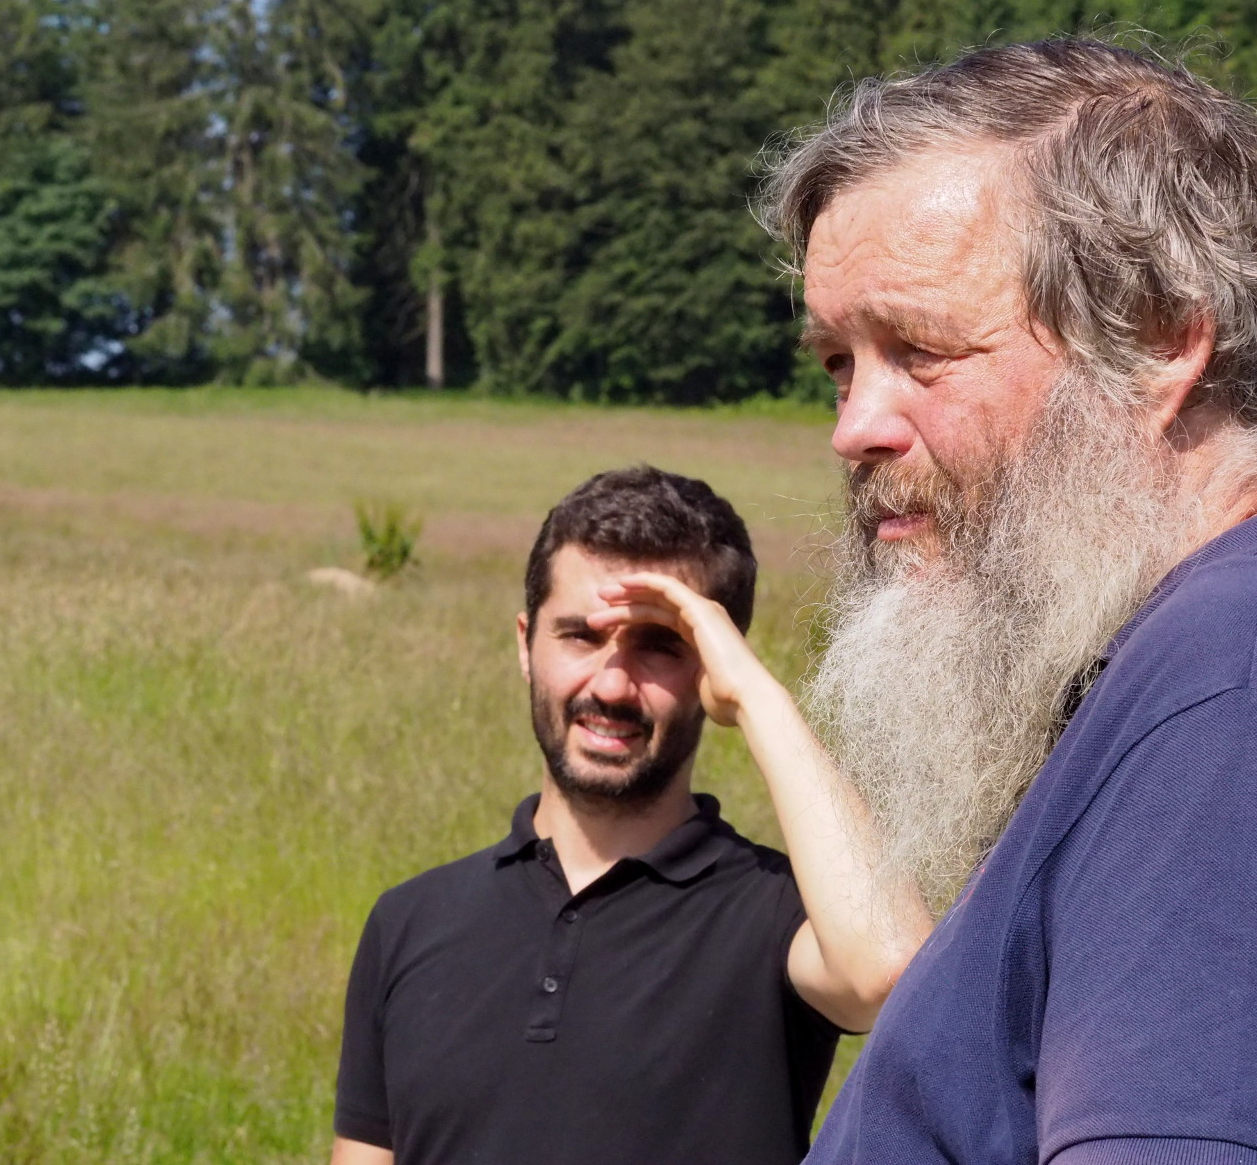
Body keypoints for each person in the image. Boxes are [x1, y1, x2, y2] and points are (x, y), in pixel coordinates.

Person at [755, 38, 1257, 1165]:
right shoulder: (1219, 676)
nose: (853, 426)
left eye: (919, 350)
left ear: (1158, 344)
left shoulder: (1250, 718)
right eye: (838, 365)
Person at [328, 465, 930, 1165]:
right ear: (525, 645)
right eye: (580, 636)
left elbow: (888, 973)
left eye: (661, 645)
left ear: (715, 664)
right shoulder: (410, 922)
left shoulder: (777, 918)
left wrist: (756, 698)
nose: (611, 685)